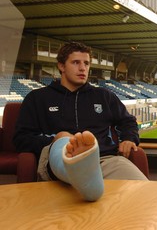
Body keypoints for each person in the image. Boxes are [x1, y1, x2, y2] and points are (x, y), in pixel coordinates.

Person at [13, 41, 148, 201]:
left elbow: (128, 122)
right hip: (59, 161)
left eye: (86, 63)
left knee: (145, 193)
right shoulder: (37, 98)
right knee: (64, 138)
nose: (83, 68)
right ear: (61, 66)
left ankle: (88, 178)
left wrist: (128, 138)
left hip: (104, 160)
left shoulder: (104, 96)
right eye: (76, 62)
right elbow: (21, 138)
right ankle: (82, 172)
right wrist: (55, 140)